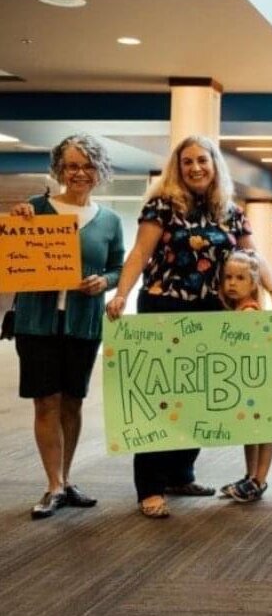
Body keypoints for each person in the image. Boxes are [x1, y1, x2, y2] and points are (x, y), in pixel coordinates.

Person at [106, 135, 272, 518]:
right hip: (164, 307)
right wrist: (121, 294)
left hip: (213, 310)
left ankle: (180, 473)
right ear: (178, 167)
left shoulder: (230, 211)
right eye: (187, 162)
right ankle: (150, 487)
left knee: (198, 397)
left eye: (202, 160)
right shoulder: (162, 206)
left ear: (214, 164)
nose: (195, 168)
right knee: (160, 398)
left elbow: (253, 256)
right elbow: (140, 253)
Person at [11, 134, 124, 520]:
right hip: (37, 321)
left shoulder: (108, 220)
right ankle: (53, 484)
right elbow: (11, 252)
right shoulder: (36, 209)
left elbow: (118, 267)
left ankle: (68, 478)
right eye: (72, 165)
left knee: (73, 402)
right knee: (46, 401)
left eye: (88, 165)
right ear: (59, 168)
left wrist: (104, 282)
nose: (80, 172)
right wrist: (17, 220)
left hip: (83, 321)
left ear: (100, 171)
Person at [218, 249, 272, 503]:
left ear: (253, 284)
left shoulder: (249, 312)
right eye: (228, 277)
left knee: (262, 431)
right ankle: (250, 475)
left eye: (240, 278)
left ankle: (259, 479)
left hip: (257, 381)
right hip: (245, 379)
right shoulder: (235, 310)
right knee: (249, 430)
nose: (232, 283)